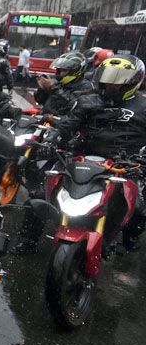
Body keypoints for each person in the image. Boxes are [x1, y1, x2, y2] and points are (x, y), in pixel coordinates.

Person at [17, 55, 146, 253]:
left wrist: (140, 161)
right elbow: (67, 126)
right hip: (80, 159)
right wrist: (52, 141)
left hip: (124, 165)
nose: (109, 85)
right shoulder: (87, 101)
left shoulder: (143, 107)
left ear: (132, 82)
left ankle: (127, 239)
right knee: (40, 196)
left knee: (139, 208)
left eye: (116, 82)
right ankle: (27, 240)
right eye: (107, 79)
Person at [34, 52, 93, 116]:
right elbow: (40, 101)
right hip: (46, 117)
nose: (61, 74)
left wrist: (53, 88)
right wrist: (42, 89)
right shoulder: (58, 82)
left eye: (64, 70)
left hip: (63, 121)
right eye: (60, 70)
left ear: (75, 70)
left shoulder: (85, 86)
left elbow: (71, 104)